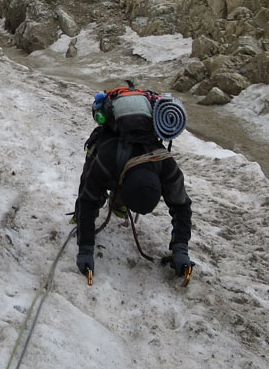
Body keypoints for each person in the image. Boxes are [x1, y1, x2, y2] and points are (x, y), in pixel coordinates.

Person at [73, 84, 193, 281]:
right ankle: (92, 211)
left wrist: (181, 250)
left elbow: (182, 206)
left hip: (126, 167)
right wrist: (85, 249)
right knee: (92, 183)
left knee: (107, 181)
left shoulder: (164, 163)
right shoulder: (107, 158)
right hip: (113, 153)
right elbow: (88, 199)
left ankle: (118, 203)